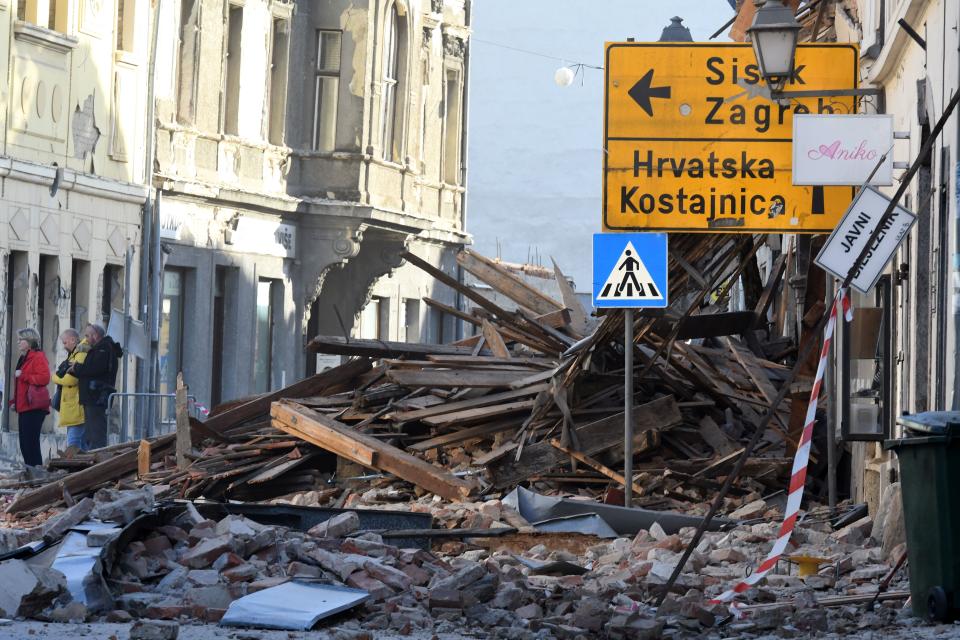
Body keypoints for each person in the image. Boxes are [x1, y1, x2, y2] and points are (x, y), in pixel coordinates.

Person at [70, 324, 121, 450]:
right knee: (91, 434)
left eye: (87, 335)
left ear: (96, 335)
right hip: (93, 397)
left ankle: (97, 464)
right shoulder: (100, 348)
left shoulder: (103, 349)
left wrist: (76, 367)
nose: (85, 339)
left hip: (96, 397)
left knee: (96, 435)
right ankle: (93, 461)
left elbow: (93, 368)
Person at [11, 328, 50, 468]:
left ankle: (37, 473)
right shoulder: (23, 357)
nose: (18, 342)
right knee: (24, 444)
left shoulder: (38, 357)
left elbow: (45, 378)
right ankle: (31, 472)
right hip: (24, 406)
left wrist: (23, 375)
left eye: (21, 339)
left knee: (31, 443)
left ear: (29, 341)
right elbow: (20, 385)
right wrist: (14, 401)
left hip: (34, 407)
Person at [51, 329, 89, 450]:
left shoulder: (80, 354)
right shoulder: (74, 354)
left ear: (73, 340)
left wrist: (54, 377)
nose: (64, 346)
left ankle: (76, 469)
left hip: (76, 407)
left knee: (73, 444)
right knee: (79, 445)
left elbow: (71, 380)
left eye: (65, 342)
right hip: (72, 407)